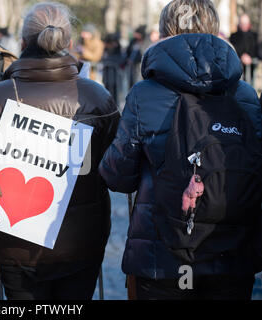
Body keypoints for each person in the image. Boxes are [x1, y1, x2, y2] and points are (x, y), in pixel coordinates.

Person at [99, 0, 262, 300]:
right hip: (232, 251)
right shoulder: (246, 95)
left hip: (162, 255)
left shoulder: (144, 94)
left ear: (165, 32)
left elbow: (118, 176)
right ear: (214, 29)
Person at [0, 1, 120, 300]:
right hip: (82, 242)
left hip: (16, 245)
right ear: (69, 43)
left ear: (23, 43)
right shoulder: (96, 98)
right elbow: (115, 167)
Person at [230, 14, 260, 85]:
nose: (244, 26)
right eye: (242, 24)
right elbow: (233, 49)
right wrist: (241, 57)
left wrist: (250, 58)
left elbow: (257, 51)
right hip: (238, 70)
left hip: (251, 69)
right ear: (239, 24)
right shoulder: (233, 36)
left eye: (245, 23)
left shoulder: (254, 36)